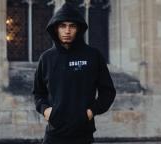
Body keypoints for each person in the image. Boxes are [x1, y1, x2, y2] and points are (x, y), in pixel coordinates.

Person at [33, 3, 116, 144]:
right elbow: (38, 93)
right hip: (54, 134)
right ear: (55, 28)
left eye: (72, 26)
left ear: (78, 29)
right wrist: (47, 111)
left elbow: (108, 91)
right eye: (62, 26)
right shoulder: (46, 58)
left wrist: (90, 112)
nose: (67, 31)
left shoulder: (93, 56)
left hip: (83, 134)